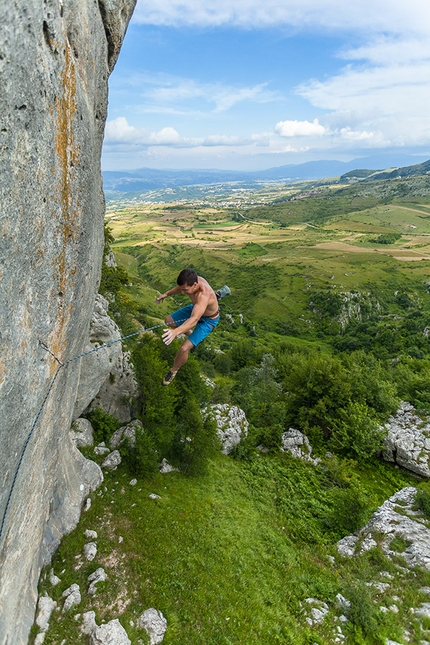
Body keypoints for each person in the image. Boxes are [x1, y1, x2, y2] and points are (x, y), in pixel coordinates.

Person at [156, 268, 220, 385]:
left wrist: (175, 332)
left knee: (184, 349)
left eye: (185, 290)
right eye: (181, 289)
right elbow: (180, 288)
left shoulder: (203, 296)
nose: (182, 293)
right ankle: (192, 335)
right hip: (196, 309)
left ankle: (173, 371)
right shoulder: (193, 281)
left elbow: (194, 320)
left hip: (208, 321)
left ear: (195, 285)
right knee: (169, 321)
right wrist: (166, 294)